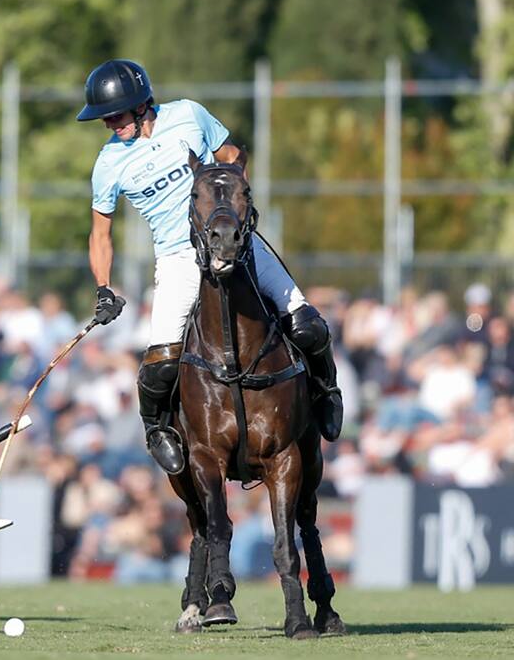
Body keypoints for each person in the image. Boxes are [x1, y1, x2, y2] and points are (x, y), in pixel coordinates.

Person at [80, 59, 342, 475]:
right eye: (104, 119)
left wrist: (236, 209)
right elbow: (100, 233)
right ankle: (157, 429)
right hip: (179, 258)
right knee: (160, 362)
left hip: (236, 244)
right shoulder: (109, 163)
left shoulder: (188, 114)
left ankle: (327, 391)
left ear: (142, 104)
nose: (111, 124)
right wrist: (103, 288)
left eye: (116, 115)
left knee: (307, 323)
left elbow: (233, 157)